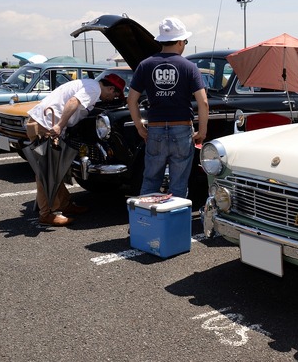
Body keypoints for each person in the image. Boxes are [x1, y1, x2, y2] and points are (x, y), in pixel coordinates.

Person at [26, 73, 126, 226]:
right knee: (46, 171)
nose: (113, 99)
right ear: (111, 88)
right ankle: (46, 214)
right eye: (116, 94)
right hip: (46, 125)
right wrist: (60, 125)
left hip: (43, 122)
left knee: (55, 169)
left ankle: (64, 204)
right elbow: (73, 102)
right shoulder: (93, 90)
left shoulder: (89, 84)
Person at [127, 17, 208, 199]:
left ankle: (146, 223)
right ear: (180, 41)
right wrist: (202, 130)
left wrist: (140, 126)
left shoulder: (145, 65)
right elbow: (203, 102)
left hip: (154, 129)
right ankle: (174, 225)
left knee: (150, 180)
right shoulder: (189, 67)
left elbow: (131, 99)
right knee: (178, 183)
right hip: (182, 128)